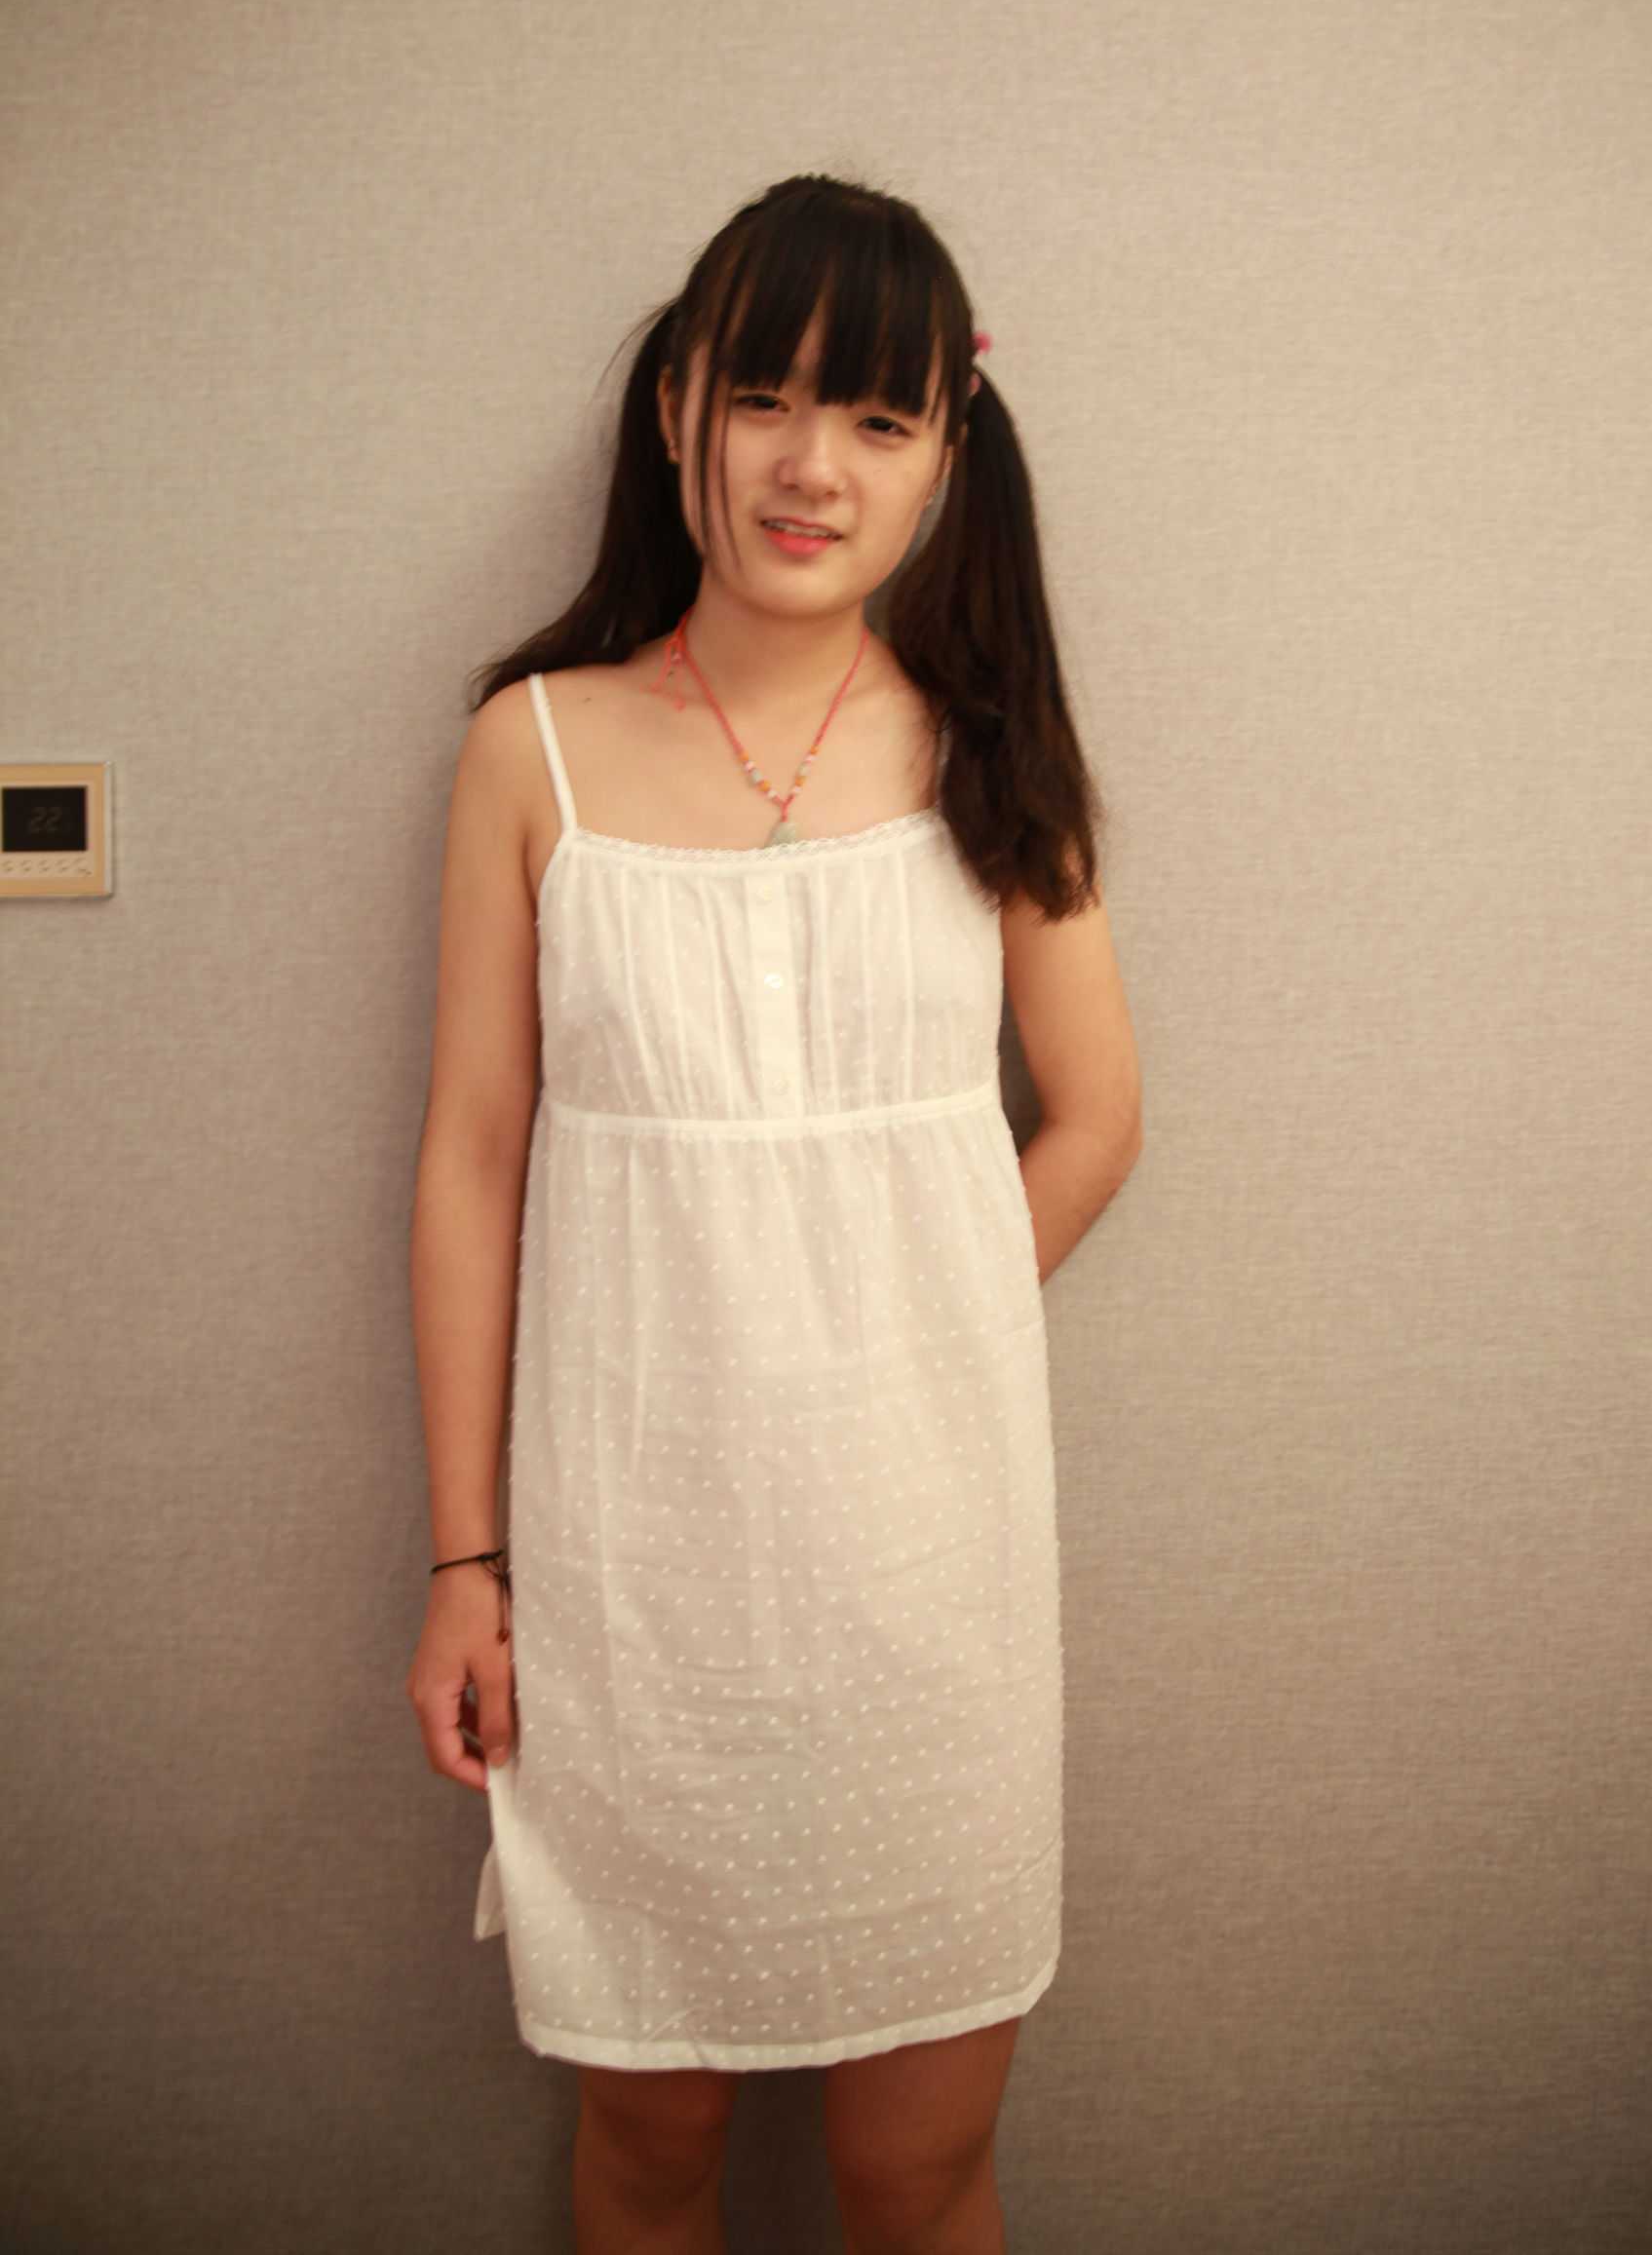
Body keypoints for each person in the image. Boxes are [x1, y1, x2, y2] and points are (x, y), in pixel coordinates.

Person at [406, 171, 1143, 2255]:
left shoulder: (988, 747)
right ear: (679, 411)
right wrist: (463, 1560)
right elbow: (470, 1154)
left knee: (919, 2171)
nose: (812, 464)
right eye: (765, 396)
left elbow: (1098, 1116)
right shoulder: (532, 751)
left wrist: (901, 1338)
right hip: (627, 1581)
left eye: (879, 417)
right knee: (650, 2152)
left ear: (944, 452)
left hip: (929, 1574)